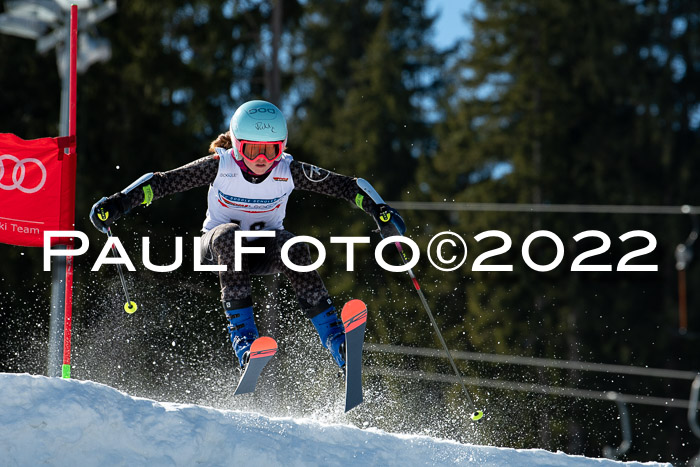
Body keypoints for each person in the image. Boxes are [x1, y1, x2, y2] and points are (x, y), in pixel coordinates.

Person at [90, 100, 405, 372]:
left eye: (271, 150)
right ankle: (244, 338)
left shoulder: (289, 170)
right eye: (253, 149)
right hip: (216, 248)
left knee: (292, 245)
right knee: (228, 235)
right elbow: (162, 183)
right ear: (238, 146)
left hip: (262, 250)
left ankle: (337, 342)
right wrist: (119, 203)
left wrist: (381, 212)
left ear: (281, 148)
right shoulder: (220, 166)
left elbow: (347, 187)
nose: (262, 159)